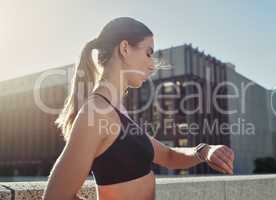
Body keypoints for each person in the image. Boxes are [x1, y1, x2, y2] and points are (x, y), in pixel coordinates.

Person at [42, 17, 234, 200]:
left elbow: (168, 155)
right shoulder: (96, 112)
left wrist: (204, 150)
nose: (152, 66)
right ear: (125, 48)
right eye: (148, 53)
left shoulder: (116, 112)